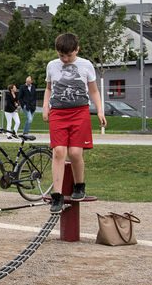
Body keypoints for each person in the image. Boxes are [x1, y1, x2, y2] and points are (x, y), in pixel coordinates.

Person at [43, 33, 106, 214]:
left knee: (75, 152)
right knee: (59, 151)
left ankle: (79, 185)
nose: (65, 59)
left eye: (69, 55)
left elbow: (93, 91)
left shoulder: (86, 65)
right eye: (61, 55)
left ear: (77, 50)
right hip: (58, 113)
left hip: (80, 112)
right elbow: (49, 88)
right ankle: (57, 195)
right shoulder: (52, 66)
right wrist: (46, 106)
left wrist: (100, 110)